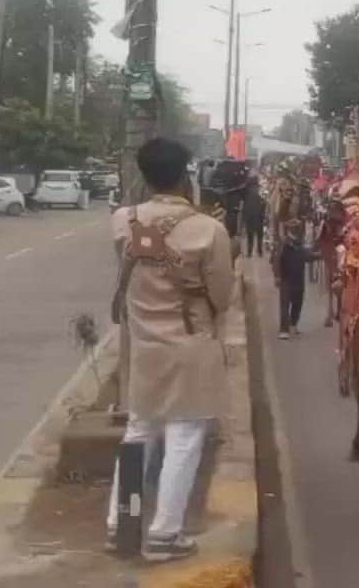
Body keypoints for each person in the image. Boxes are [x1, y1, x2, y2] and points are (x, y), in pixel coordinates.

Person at [106, 138, 234, 562]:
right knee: (184, 436)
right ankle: (164, 534)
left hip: (144, 346)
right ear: (185, 177)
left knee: (139, 431)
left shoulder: (123, 222)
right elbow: (222, 294)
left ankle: (122, 524)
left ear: (143, 176)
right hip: (191, 345)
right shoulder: (209, 230)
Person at [272, 218, 319, 339]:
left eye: (298, 227)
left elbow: (308, 256)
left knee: (298, 302)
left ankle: (293, 324)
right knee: (285, 304)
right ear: (289, 229)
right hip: (286, 278)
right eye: (295, 228)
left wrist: (321, 255)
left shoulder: (300, 244)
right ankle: (284, 329)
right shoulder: (283, 243)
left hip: (298, 278)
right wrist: (277, 276)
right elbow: (276, 260)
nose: (297, 230)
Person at [241, 177, 266, 258]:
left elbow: (244, 207)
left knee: (250, 236)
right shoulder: (260, 193)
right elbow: (264, 204)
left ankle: (250, 252)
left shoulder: (246, 193)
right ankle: (259, 251)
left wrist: (243, 219)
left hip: (250, 217)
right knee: (259, 235)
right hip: (258, 217)